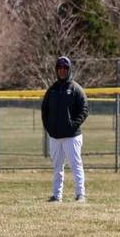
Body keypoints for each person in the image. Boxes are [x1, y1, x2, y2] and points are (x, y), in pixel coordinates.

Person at [41, 56, 89, 203]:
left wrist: (72, 125)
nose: (62, 70)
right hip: (55, 136)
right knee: (57, 168)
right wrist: (49, 128)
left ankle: (80, 194)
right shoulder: (52, 90)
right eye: (60, 68)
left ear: (69, 70)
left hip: (72, 136)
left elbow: (84, 109)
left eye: (65, 68)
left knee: (76, 165)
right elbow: (45, 110)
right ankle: (57, 195)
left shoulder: (75, 88)